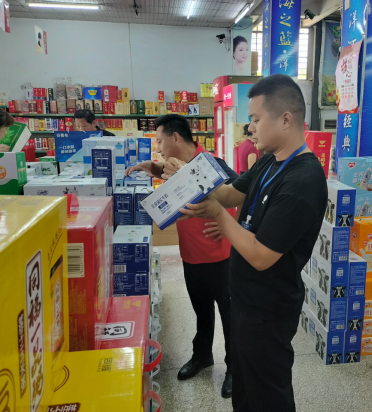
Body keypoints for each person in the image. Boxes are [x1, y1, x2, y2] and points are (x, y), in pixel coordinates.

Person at [166, 74, 327, 411]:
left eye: (256, 119)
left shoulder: (303, 180)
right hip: (243, 297)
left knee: (268, 394)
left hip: (269, 308)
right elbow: (229, 194)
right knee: (244, 386)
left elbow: (260, 255)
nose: (250, 127)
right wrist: (189, 176)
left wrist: (217, 216)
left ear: (285, 119)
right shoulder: (269, 159)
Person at [125, 114, 238, 398]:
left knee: (230, 316)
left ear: (176, 138)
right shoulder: (176, 166)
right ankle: (202, 356)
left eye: (160, 141)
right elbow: (169, 172)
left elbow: (242, 192)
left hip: (221, 258)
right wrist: (151, 167)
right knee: (201, 311)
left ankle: (235, 368)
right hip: (191, 256)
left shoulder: (211, 163)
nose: (159, 148)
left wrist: (229, 221)